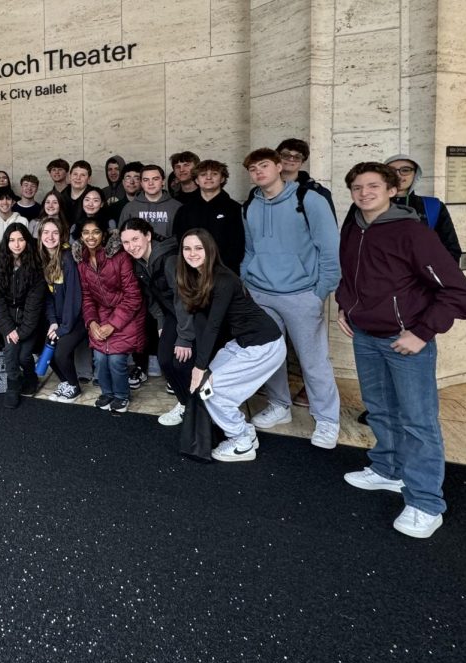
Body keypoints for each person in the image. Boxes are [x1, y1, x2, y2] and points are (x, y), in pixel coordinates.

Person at [336, 162, 466, 539]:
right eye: (357, 187)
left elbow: (459, 295)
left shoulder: (412, 232)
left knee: (417, 421)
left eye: (373, 186)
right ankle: (388, 470)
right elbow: (349, 274)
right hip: (365, 335)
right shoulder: (354, 226)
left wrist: (421, 331)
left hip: (405, 340)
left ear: (392, 190)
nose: (364, 193)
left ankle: (426, 502)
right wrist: (344, 306)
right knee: (380, 409)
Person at [241, 148, 342, 450]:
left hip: (302, 294)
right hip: (261, 292)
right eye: (253, 168)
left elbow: (330, 248)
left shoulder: (308, 199)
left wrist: (320, 292)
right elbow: (250, 249)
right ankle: (279, 405)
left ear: (278, 166)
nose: (259, 172)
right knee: (270, 357)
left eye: (264, 165)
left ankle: (327, 419)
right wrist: (248, 280)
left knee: (314, 361)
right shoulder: (250, 205)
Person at [178, 228, 287, 462]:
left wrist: (199, 367)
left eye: (198, 248)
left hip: (264, 345)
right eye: (187, 248)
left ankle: (241, 442)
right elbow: (202, 322)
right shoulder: (197, 276)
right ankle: (246, 432)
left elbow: (213, 326)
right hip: (244, 342)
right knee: (208, 387)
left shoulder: (223, 279)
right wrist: (201, 365)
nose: (192, 253)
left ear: (209, 250)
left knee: (213, 390)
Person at [121, 217, 194, 418]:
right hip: (171, 314)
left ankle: (196, 407)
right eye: (126, 242)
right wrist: (161, 323)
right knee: (164, 360)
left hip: (192, 315)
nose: (131, 246)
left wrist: (185, 338)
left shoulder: (169, 259)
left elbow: (184, 299)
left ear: (148, 236)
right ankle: (184, 402)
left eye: (135, 239)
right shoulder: (139, 263)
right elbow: (151, 298)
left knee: (183, 361)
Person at [76, 216, 143, 414]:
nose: (91, 236)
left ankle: (122, 395)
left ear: (103, 235)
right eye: (86, 233)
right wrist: (92, 322)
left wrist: (112, 324)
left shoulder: (119, 257)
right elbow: (87, 297)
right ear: (81, 236)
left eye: (95, 232)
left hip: (127, 312)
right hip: (100, 314)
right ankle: (107, 392)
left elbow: (133, 297)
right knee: (99, 357)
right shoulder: (82, 262)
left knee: (115, 359)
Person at [0, 223, 46, 409]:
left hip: (29, 317)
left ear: (27, 241)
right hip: (7, 316)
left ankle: (30, 376)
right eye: (12, 240)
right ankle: (13, 384)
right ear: (6, 242)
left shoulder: (35, 264)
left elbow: (34, 303)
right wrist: (8, 328)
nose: (16, 244)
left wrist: (22, 331)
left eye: (21, 239)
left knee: (24, 355)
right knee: (11, 350)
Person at [37, 217, 85, 403]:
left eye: (55, 232)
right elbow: (47, 297)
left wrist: (63, 328)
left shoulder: (67, 258)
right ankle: (65, 381)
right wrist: (53, 322)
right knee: (47, 348)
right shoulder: (43, 258)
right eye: (46, 232)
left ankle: (74, 386)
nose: (50, 236)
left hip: (77, 319)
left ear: (62, 235)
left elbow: (74, 298)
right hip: (59, 320)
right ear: (40, 235)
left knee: (60, 353)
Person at [383, 154, 462, 263]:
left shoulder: (433, 206)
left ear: (415, 174)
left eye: (405, 170)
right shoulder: (368, 206)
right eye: (391, 171)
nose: (398, 175)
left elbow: (451, 251)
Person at [174, 160, 245, 273]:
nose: (208, 178)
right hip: (192, 272)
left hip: (225, 272)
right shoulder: (185, 210)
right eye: (203, 175)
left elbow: (238, 245)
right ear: (196, 180)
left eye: (214, 174)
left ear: (222, 178)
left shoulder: (235, 209)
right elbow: (180, 241)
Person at [276, 138, 337, 220]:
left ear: (303, 161)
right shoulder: (259, 191)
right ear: (277, 157)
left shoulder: (320, 193)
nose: (291, 159)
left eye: (297, 157)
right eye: (286, 155)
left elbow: (329, 228)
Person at [117, 164, 181, 240]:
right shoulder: (129, 208)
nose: (150, 183)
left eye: (155, 179)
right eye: (146, 180)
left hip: (168, 251)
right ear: (141, 183)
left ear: (163, 181)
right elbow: (122, 238)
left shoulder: (177, 207)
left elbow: (181, 238)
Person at [64, 160, 93, 225]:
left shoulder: (96, 196)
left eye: (82, 175)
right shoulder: (61, 196)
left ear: (89, 179)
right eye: (75, 174)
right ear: (70, 176)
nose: (78, 178)